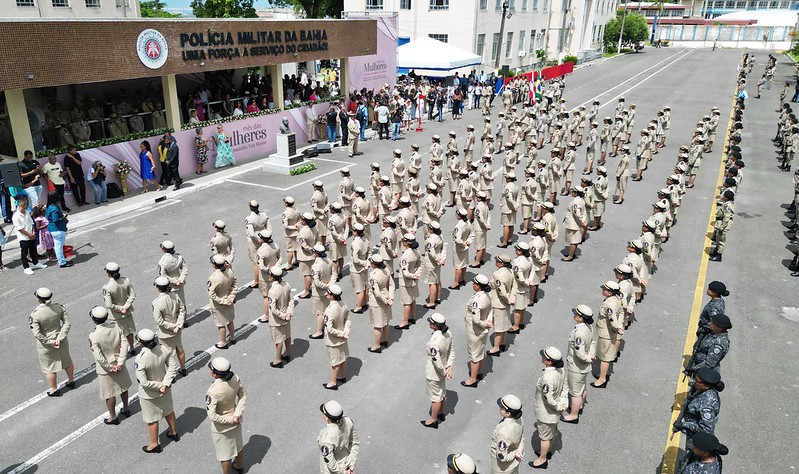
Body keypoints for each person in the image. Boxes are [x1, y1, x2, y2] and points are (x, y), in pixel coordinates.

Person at [135, 328, 179, 454]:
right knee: (168, 411)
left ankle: (154, 444)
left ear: (141, 343)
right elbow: (172, 367)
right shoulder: (163, 349)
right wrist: (165, 383)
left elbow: (143, 382)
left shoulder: (141, 358)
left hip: (150, 393)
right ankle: (174, 432)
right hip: (165, 388)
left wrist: (158, 385)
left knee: (152, 419)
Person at [88, 306, 131, 425]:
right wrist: (120, 362)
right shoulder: (116, 326)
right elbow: (124, 344)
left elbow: (99, 357)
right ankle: (126, 408)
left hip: (106, 369)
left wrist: (110, 368)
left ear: (94, 320)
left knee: (109, 394)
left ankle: (112, 417)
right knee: (123, 388)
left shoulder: (94, 335)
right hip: (118, 362)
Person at [29, 288, 74, 397]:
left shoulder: (35, 314)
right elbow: (67, 323)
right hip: (61, 339)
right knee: (66, 360)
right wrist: (60, 338)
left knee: (49, 367)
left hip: (46, 344)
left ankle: (54, 389)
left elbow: (37, 334)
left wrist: (50, 342)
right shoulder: (59, 307)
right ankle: (71, 380)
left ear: (38, 299)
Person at [206, 357, 247, 473]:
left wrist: (230, 420)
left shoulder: (213, 391)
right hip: (236, 419)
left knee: (225, 455)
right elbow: (243, 395)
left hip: (221, 427)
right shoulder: (235, 378)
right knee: (238, 446)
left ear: (214, 374)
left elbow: (212, 416)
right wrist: (237, 414)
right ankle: (239, 466)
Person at [530, 347, 567, 470]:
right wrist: (563, 402)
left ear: (549, 362)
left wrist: (558, 406)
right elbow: (565, 387)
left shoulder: (547, 377)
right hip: (554, 413)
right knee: (552, 432)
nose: (542, 357)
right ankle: (548, 452)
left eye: (544, 356)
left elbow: (548, 398)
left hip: (546, 413)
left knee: (545, 437)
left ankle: (542, 459)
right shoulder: (561, 370)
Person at [562, 305, 595, 423]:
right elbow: (592, 342)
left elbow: (580, 354)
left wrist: (587, 358)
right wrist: (591, 354)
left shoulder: (580, 333)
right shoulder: (588, 327)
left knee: (575, 392)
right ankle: (579, 406)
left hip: (576, 366)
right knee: (582, 387)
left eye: (576, 313)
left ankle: (573, 415)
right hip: (584, 367)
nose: (574, 314)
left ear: (581, 318)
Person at [421, 313, 454, 429]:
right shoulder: (448, 334)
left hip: (434, 372)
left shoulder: (435, 341)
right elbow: (451, 351)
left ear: (435, 325)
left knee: (435, 398)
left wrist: (443, 371)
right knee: (443, 392)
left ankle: (433, 419)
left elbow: (436, 360)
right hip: (444, 368)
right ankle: (441, 413)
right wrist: (448, 367)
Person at [673, 368, 723, 443]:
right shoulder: (702, 388)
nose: (694, 382)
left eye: (696, 381)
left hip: (698, 439)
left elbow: (706, 429)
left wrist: (684, 425)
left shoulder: (707, 405)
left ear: (707, 386)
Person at [152, 276, 187, 376]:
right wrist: (178, 325)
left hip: (165, 332)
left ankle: (171, 374)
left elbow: (159, 320)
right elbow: (182, 310)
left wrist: (172, 327)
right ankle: (183, 368)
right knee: (179, 349)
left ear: (158, 288)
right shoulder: (175, 296)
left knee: (167, 354)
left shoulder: (157, 302)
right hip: (177, 329)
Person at [102, 262, 137, 354]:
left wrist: (120, 309)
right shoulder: (126, 280)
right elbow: (132, 295)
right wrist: (125, 307)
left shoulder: (107, 287)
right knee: (129, 331)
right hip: (127, 311)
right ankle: (132, 348)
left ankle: (121, 353)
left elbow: (109, 305)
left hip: (116, 315)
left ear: (108, 273)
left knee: (117, 335)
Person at [318, 400, 360, 473]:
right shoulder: (348, 421)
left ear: (326, 417)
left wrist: (344, 472)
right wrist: (351, 463)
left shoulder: (326, 438)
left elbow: (331, 464)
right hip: (346, 460)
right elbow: (355, 443)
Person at [322, 284, 351, 389]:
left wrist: (342, 333)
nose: (326, 294)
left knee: (334, 362)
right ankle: (342, 375)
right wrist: (345, 331)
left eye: (328, 293)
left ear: (332, 296)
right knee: (342, 358)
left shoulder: (330, 310)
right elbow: (348, 318)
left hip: (333, 340)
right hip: (343, 338)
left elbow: (329, 329)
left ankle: (333, 383)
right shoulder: (343, 304)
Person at [488, 254, 516, 356]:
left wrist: (508, 300)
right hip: (506, 303)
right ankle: (503, 343)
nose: (496, 262)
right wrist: (512, 298)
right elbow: (514, 286)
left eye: (497, 261)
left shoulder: (498, 275)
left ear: (502, 263)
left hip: (499, 303)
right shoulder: (510, 272)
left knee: (498, 327)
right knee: (505, 324)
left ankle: (496, 348)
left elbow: (501, 292)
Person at [208, 254, 238, 350]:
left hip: (218, 305)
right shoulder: (230, 272)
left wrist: (223, 301)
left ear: (214, 265)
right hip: (229, 300)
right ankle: (232, 337)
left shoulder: (213, 278)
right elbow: (235, 285)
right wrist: (230, 297)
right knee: (230, 321)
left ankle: (223, 342)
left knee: (221, 325)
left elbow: (212, 295)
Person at [267, 265, 294, 368]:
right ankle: (287, 353)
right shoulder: (286, 284)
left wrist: (283, 316)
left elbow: (273, 309)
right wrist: (289, 313)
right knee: (287, 336)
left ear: (272, 277)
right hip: (286, 314)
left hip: (277, 319)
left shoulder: (272, 291)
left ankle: (278, 360)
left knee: (278, 340)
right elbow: (291, 300)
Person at [491, 394, 525, 473]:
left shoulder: (503, 432)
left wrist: (515, 453)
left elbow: (502, 457)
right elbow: (522, 437)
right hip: (515, 463)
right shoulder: (520, 419)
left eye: (501, 407)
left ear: (508, 413)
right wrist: (519, 450)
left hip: (502, 469)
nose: (500, 408)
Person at [367, 254, 394, 353]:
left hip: (377, 302)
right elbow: (391, 285)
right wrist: (390, 298)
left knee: (377, 325)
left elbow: (377, 293)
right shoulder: (386, 270)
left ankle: (377, 345)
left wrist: (385, 300)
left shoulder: (373, 275)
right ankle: (385, 339)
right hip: (386, 296)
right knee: (386, 321)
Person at [245, 200, 271, 289]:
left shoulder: (249, 219)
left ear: (250, 208)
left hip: (254, 242)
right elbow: (269, 228)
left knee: (256, 262)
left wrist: (259, 241)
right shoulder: (264, 215)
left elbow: (252, 234)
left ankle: (256, 281)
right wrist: (266, 238)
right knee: (266, 258)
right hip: (264, 237)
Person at [158, 240, 189, 308]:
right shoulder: (179, 257)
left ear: (164, 250)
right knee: (182, 303)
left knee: (171, 305)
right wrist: (180, 280)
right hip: (179, 282)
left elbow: (163, 275)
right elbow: (185, 270)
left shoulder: (162, 261)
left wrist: (173, 281)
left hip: (168, 285)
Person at [423, 222, 445, 310]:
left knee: (432, 282)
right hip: (439, 258)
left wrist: (438, 260)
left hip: (432, 262)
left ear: (431, 229)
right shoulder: (440, 236)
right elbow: (443, 249)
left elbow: (431, 253)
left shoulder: (431, 240)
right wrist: (442, 259)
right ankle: (437, 298)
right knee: (437, 279)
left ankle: (432, 302)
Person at [561, 186, 587, 262]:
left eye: (573, 192)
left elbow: (577, 214)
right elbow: (584, 212)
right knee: (574, 240)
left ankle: (570, 256)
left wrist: (582, 222)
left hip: (573, 223)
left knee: (573, 240)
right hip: (576, 222)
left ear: (576, 193)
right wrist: (584, 220)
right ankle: (572, 253)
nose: (572, 193)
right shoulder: (581, 200)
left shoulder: (576, 202)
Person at [709, 190, 735, 262]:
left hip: (724, 224)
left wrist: (722, 228)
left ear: (727, 198)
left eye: (724, 196)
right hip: (721, 222)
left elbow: (726, 218)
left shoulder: (728, 206)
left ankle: (718, 256)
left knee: (721, 240)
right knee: (718, 238)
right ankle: (715, 252)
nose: (722, 197)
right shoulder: (726, 203)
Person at [281, 196, 300, 270]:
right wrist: (296, 226)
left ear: (286, 204)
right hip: (296, 232)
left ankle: (289, 264)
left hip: (289, 234)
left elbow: (285, 225)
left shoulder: (286, 213)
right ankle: (297, 260)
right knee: (296, 248)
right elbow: (299, 220)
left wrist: (293, 227)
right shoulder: (296, 210)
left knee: (289, 250)